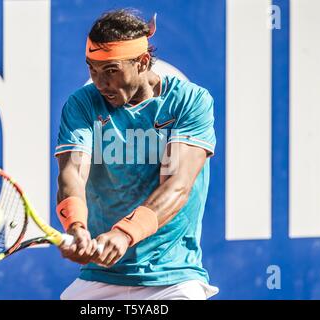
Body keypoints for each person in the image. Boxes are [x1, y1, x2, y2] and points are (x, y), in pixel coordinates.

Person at [54, 9, 218, 300]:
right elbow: (72, 173)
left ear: (142, 62)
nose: (100, 83)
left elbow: (177, 186)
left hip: (172, 279)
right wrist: (76, 225)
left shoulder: (190, 101)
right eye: (92, 69)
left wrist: (124, 233)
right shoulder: (81, 104)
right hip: (100, 276)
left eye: (111, 70)